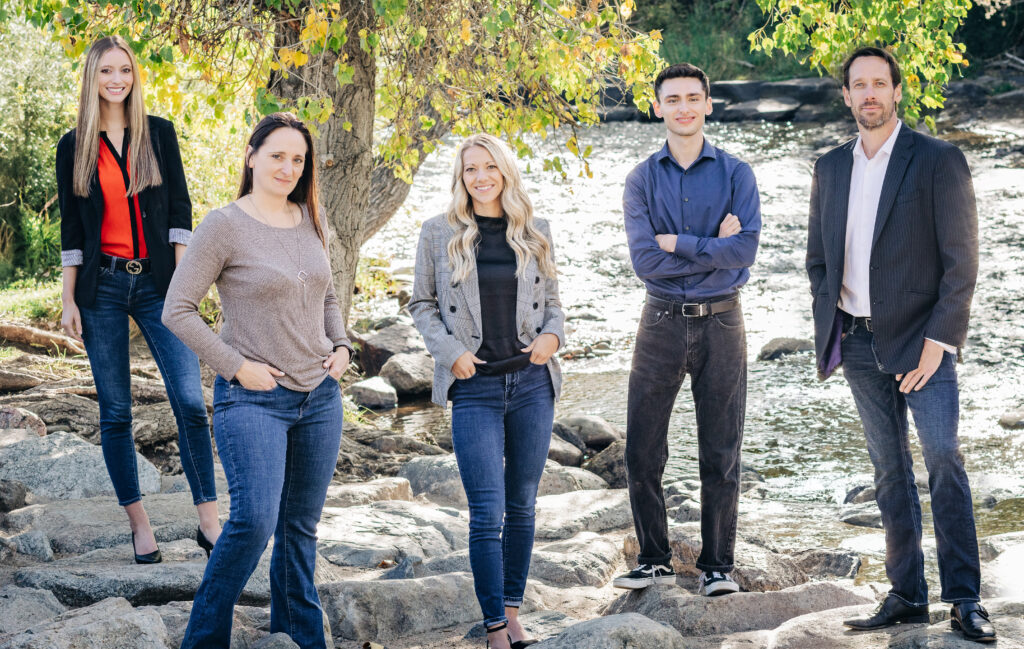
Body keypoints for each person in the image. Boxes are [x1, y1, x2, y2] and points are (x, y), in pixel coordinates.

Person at [807, 47, 995, 643]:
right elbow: (818, 260)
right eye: (858, 85)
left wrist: (939, 343)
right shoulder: (831, 167)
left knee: (943, 461)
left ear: (896, 91)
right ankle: (908, 594)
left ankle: (965, 598)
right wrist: (832, 316)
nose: (869, 94)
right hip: (858, 342)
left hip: (923, 344)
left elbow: (961, 263)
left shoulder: (938, 160)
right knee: (889, 473)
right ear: (846, 96)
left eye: (878, 84)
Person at [162, 112, 352, 649]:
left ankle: (298, 638)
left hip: (319, 399)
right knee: (254, 522)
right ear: (251, 157)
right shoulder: (223, 226)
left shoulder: (311, 218)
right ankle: (203, 640)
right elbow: (177, 310)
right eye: (277, 156)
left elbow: (328, 297)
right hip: (252, 400)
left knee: (299, 530)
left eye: (298, 159)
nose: (288, 168)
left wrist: (341, 346)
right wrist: (234, 366)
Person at [56, 35, 220, 564]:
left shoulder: (159, 134)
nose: (116, 80)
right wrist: (68, 301)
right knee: (116, 413)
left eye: (124, 70)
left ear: (134, 75)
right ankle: (139, 525)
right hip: (99, 288)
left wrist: (182, 283)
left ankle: (209, 522)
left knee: (191, 403)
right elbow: (72, 233)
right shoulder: (72, 145)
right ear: (92, 78)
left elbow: (179, 210)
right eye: (106, 71)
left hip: (158, 285)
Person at [409, 133, 564, 649]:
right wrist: (449, 352)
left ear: (505, 172)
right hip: (472, 385)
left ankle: (513, 612)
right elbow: (422, 306)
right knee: (486, 511)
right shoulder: (438, 233)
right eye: (470, 169)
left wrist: (552, 336)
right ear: (460, 177)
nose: (480, 177)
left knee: (522, 504)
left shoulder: (535, 230)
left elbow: (556, 306)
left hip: (531, 385)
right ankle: (495, 626)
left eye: (489, 167)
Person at [613, 62, 761, 596]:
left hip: (724, 320)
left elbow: (744, 253)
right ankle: (652, 557)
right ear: (657, 108)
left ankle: (717, 566)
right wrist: (712, 249)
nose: (683, 107)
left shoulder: (737, 173)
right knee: (642, 450)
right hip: (659, 321)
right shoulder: (641, 178)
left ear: (708, 104)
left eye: (692, 98)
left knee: (721, 450)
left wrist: (676, 241)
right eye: (672, 99)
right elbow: (644, 264)